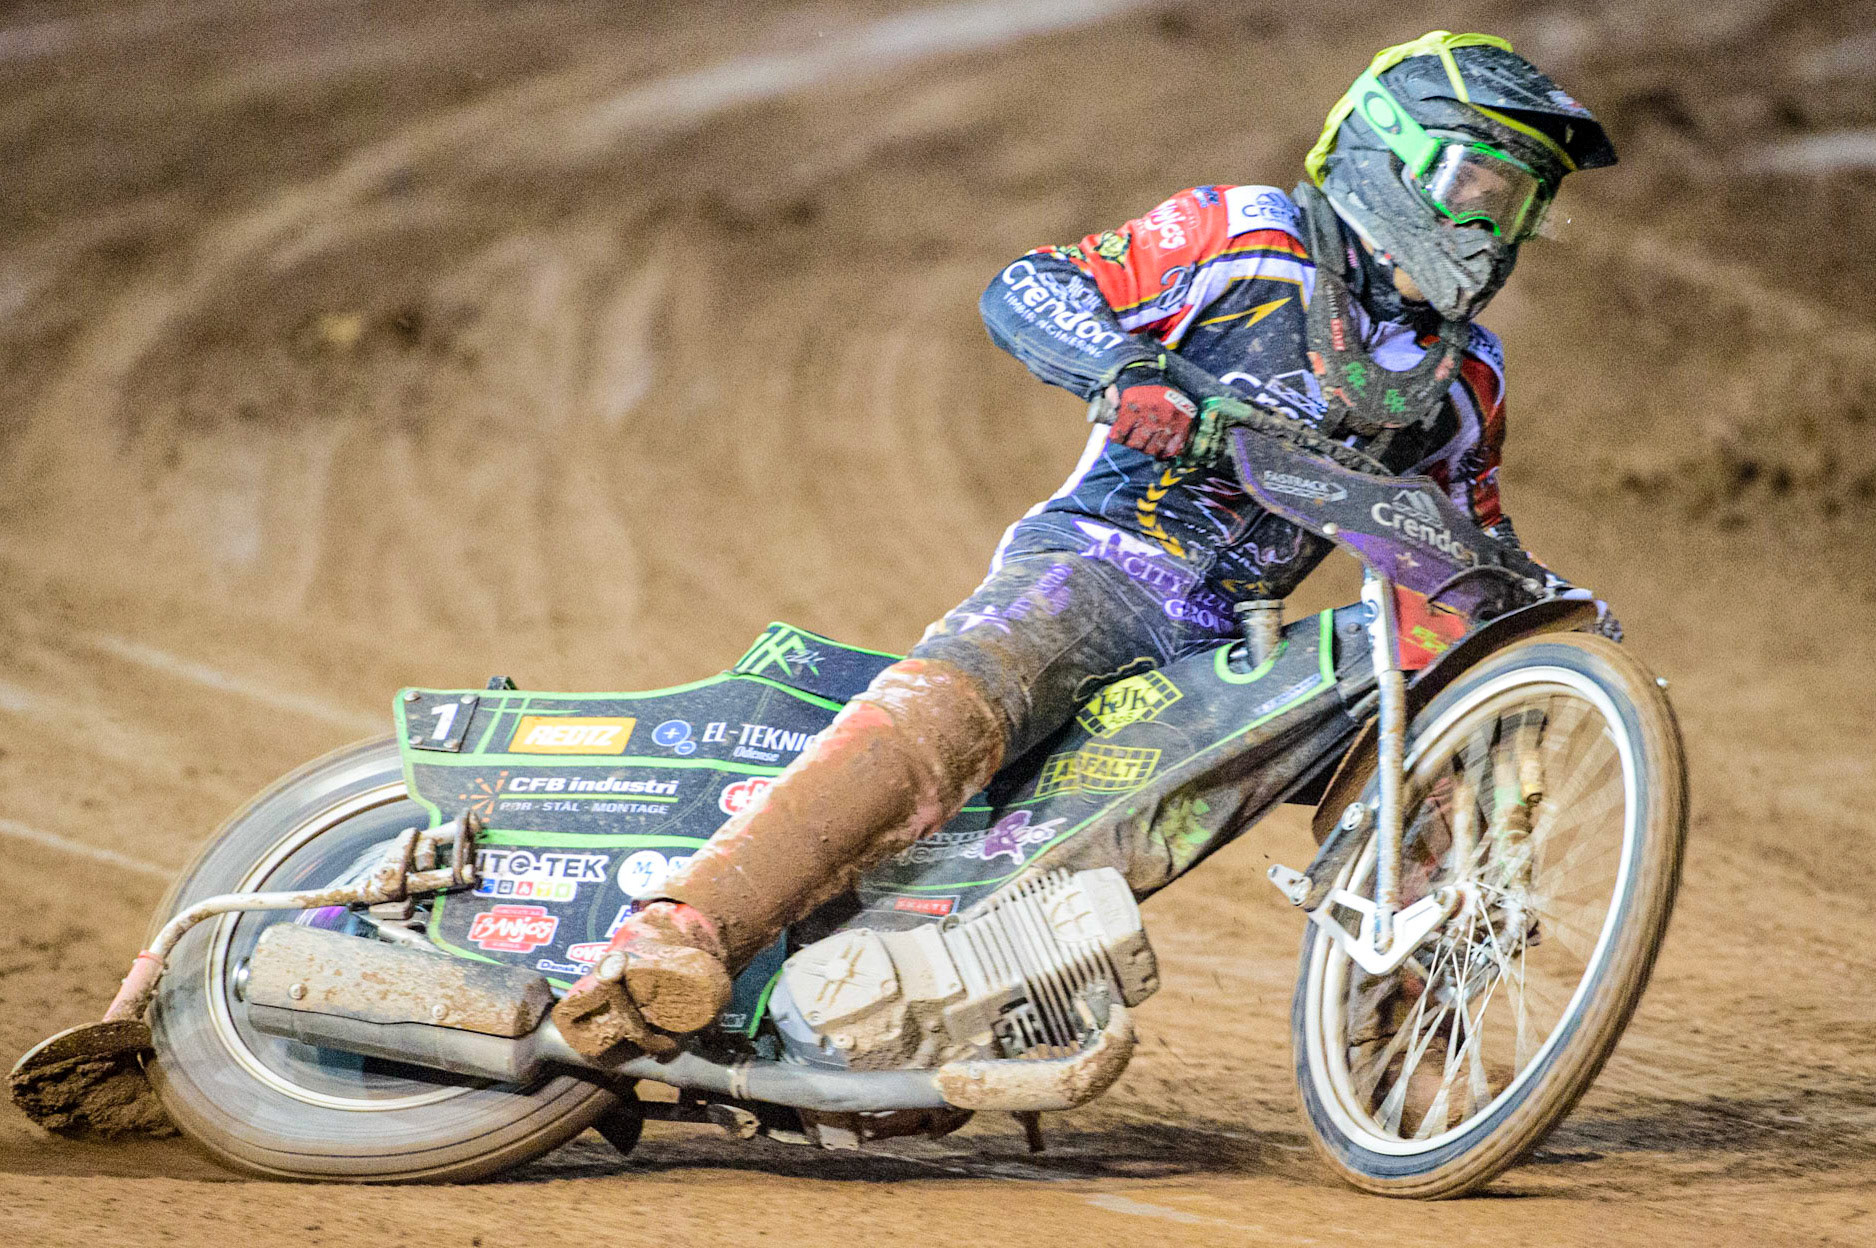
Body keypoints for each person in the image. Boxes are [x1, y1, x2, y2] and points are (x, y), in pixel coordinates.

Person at [552, 31, 1620, 1057]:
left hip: (1233, 650)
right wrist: (1127, 370)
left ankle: (1415, 1048)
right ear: (1389, 159)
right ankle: (679, 933)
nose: (1497, 227)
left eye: (1522, 202)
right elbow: (1033, 283)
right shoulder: (1245, 237)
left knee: (1459, 710)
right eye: (1479, 187)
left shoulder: (1465, 379)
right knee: (977, 691)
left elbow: (1460, 533)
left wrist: (1527, 600)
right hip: (1104, 565)